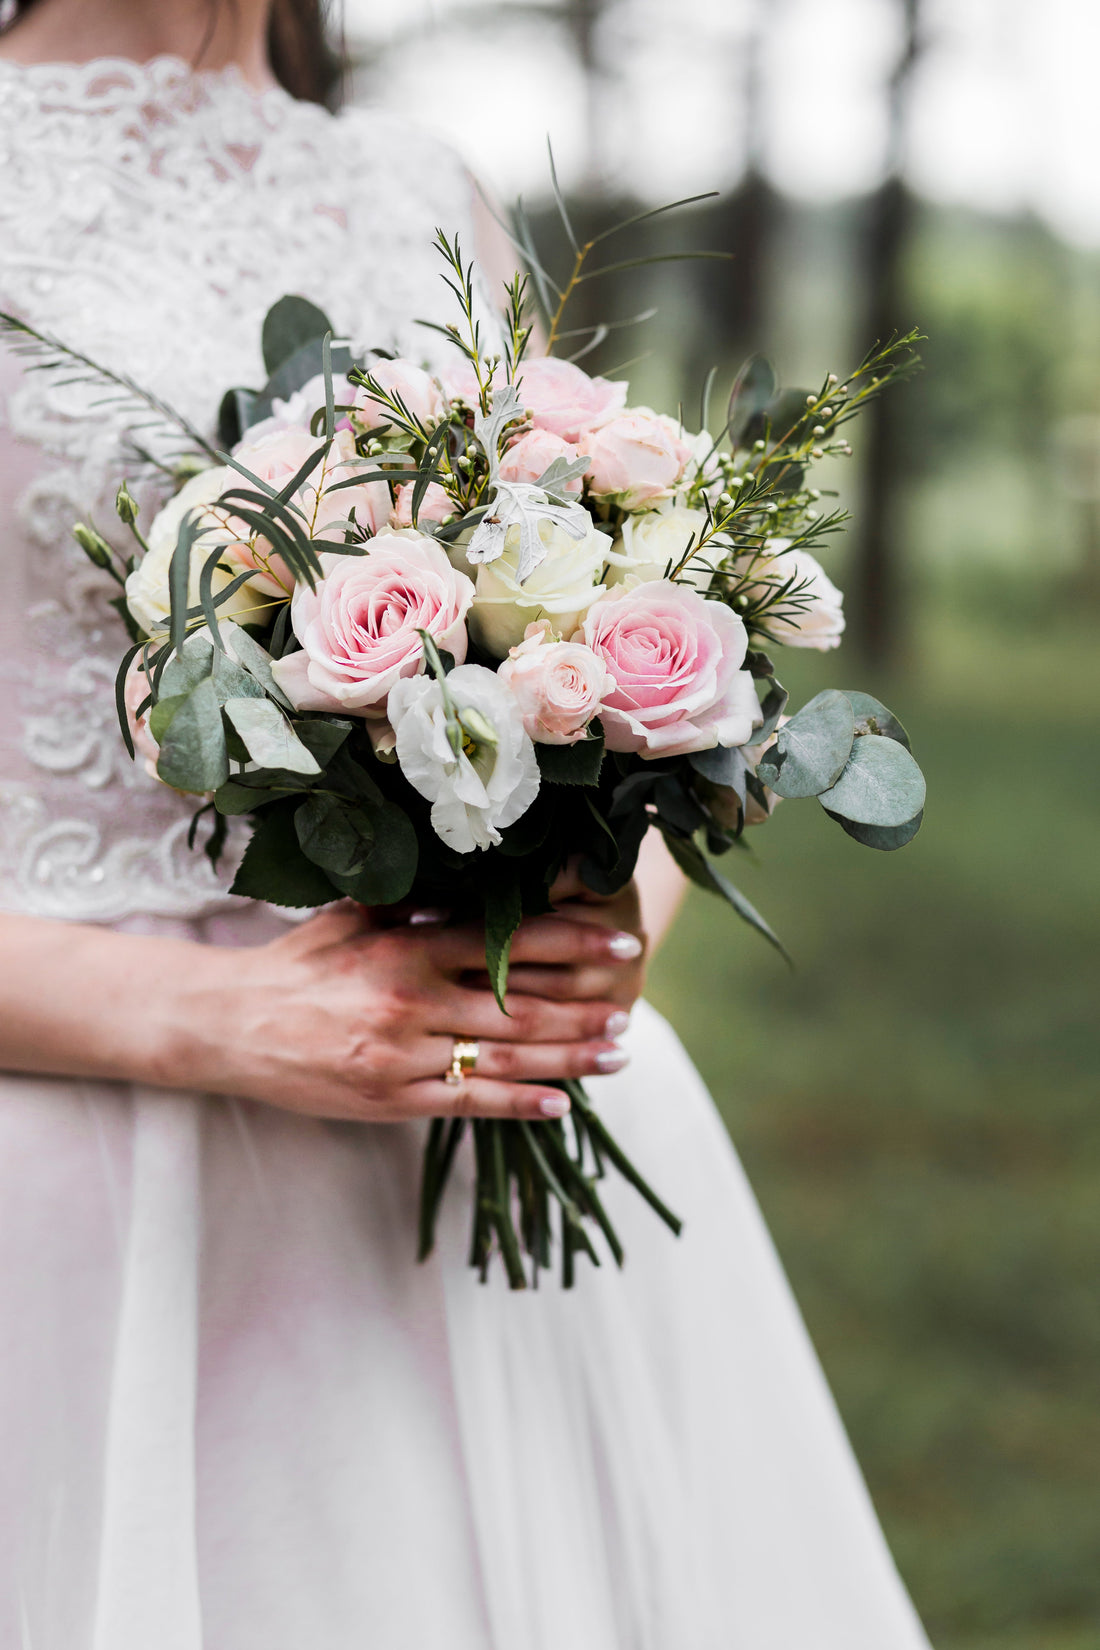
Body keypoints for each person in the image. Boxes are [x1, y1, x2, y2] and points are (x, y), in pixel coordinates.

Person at [0, 3, 932, 1646]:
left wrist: (605, 906)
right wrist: (223, 1015)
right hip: (77, 1178)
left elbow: (581, 617)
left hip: (480, 1150)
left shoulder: (420, 187)